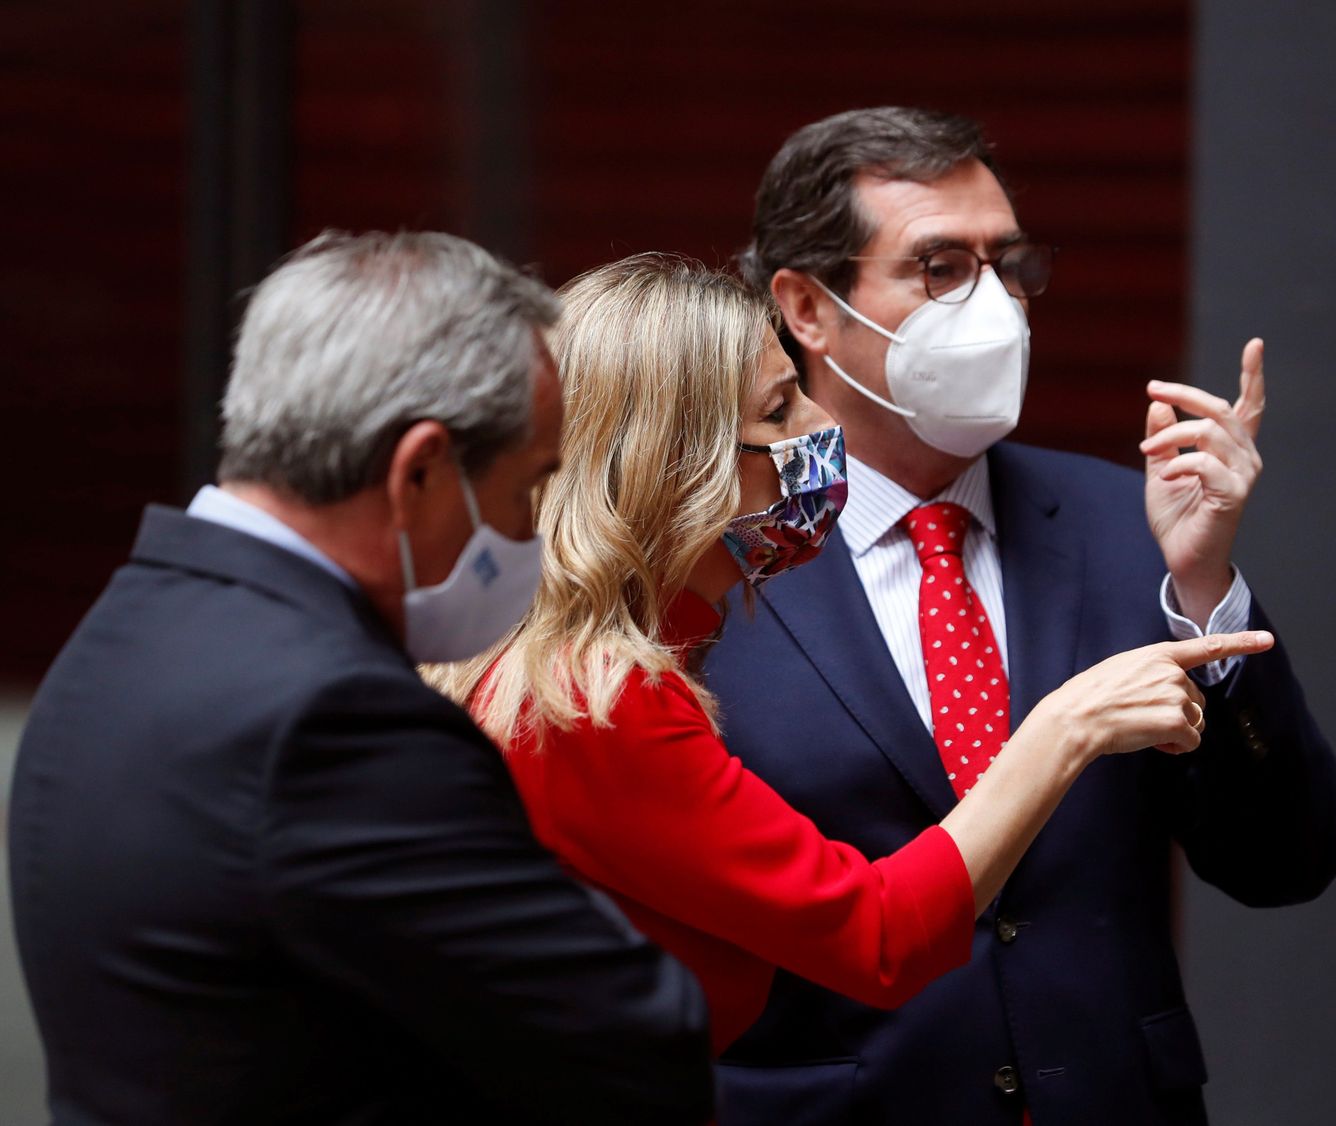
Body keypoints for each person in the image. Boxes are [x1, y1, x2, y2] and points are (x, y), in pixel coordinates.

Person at [428, 253, 1272, 1071]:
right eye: (780, 408)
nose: (820, 428)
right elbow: (874, 936)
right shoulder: (597, 696)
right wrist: (1067, 724)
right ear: (679, 463)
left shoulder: (560, 657)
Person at [698, 107, 1336, 1124]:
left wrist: (1202, 590)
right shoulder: (712, 559)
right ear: (806, 308)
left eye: (1007, 265)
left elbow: (1284, 861)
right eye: (940, 267)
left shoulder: (1121, 521)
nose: (993, 305)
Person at [7, 231, 713, 1126]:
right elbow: (637, 1040)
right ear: (418, 471)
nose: (531, 531)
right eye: (527, 489)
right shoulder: (340, 722)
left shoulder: (130, 624)